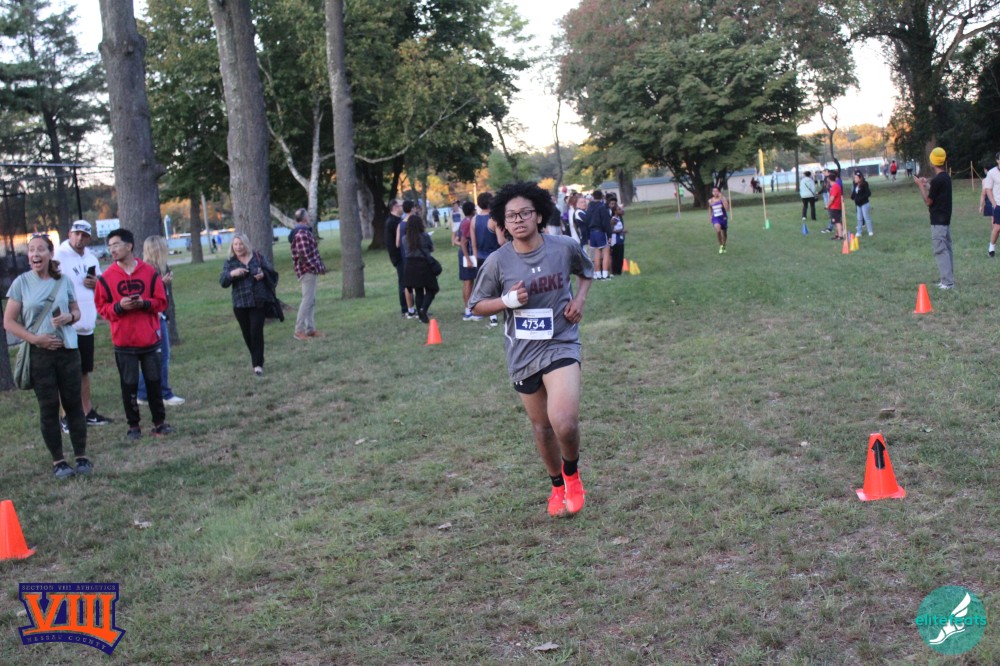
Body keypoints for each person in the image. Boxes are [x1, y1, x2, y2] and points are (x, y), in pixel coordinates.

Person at [468, 181, 594, 518]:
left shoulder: (563, 247)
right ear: (503, 222)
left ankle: (572, 473)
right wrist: (506, 301)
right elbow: (476, 305)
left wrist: (580, 300)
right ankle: (556, 485)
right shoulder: (498, 262)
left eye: (525, 213)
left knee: (564, 422)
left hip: (561, 342)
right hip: (523, 353)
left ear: (538, 215)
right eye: (511, 216)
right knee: (542, 427)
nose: (518, 220)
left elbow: (586, 272)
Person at [4, 234, 91, 479]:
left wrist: (70, 317)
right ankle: (59, 461)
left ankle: (81, 457)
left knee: (73, 404)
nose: (35, 254)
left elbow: (76, 310)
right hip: (40, 355)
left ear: (50, 254)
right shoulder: (21, 283)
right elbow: (9, 322)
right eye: (31, 250)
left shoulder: (63, 281)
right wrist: (35, 339)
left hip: (68, 352)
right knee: (49, 407)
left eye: (40, 249)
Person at [95, 228, 174, 440]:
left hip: (149, 340)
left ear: (129, 246)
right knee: (128, 385)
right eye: (109, 246)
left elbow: (161, 302)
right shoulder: (106, 278)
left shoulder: (149, 273)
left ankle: (159, 423)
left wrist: (144, 303)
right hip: (124, 342)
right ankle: (133, 426)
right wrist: (119, 307)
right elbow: (101, 308)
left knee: (154, 382)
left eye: (116, 245)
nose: (112, 250)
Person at [53, 220, 113, 429]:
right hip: (68, 324)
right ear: (70, 234)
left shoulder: (91, 257)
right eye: (76, 234)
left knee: (84, 370)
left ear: (89, 238)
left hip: (87, 323)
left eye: (84, 235)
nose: (79, 238)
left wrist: (97, 283)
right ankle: (66, 416)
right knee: (66, 372)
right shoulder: (59, 256)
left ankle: (87, 412)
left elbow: (102, 285)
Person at [136, 235, 185, 407]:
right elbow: (146, 295)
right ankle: (164, 393)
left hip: (160, 315)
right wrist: (162, 284)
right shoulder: (148, 270)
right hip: (154, 317)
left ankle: (142, 393)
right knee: (162, 355)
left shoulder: (159, 268)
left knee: (156, 357)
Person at [220, 233, 274, 376]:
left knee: (256, 331)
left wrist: (263, 275)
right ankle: (258, 357)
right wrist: (233, 274)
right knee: (247, 334)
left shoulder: (257, 257)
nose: (238, 247)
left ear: (246, 244)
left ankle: (257, 365)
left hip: (258, 301)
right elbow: (223, 282)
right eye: (235, 244)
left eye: (241, 244)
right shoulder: (230, 262)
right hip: (240, 303)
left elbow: (271, 273)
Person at [914, 147, 954, 289]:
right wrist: (926, 184)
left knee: (940, 250)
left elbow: (928, 201)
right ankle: (948, 279)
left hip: (938, 220)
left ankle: (947, 282)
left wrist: (920, 186)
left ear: (932, 161)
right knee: (947, 249)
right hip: (945, 219)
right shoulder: (945, 177)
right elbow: (937, 190)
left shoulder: (938, 180)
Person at [289, 208, 327, 340]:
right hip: (307, 271)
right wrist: (315, 268)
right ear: (305, 218)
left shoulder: (304, 232)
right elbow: (304, 256)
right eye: (308, 216)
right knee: (307, 300)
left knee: (311, 300)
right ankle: (298, 331)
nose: (310, 218)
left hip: (309, 270)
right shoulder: (301, 234)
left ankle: (310, 329)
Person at [402, 215, 439, 324]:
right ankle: (423, 309)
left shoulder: (405, 239)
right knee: (432, 288)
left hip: (410, 266)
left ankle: (421, 317)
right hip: (423, 265)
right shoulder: (424, 236)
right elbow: (431, 249)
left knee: (418, 291)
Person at [472, 191, 501, 327]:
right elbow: (501, 241)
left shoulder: (474, 220)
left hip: (480, 257)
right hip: (494, 256)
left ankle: (492, 316)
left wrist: (476, 258)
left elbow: (473, 244)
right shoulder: (493, 219)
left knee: (487, 287)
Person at [384, 199, 408, 317]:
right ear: (395, 207)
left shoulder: (399, 221)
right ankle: (405, 309)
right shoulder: (391, 223)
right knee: (403, 282)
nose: (402, 207)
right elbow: (392, 244)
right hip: (400, 257)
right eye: (401, 205)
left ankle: (412, 307)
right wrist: (397, 259)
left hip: (405, 256)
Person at [458, 201, 481, 321]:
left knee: (470, 282)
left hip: (468, 254)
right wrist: (468, 259)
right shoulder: (467, 223)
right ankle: (468, 312)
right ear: (473, 210)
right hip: (467, 255)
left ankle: (470, 309)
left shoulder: (466, 221)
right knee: (468, 282)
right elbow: (463, 242)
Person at [584, 190, 612, 279]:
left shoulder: (589, 207)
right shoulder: (602, 207)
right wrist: (609, 235)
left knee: (596, 254)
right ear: (602, 196)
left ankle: (597, 274)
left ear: (593, 196)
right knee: (606, 252)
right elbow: (606, 222)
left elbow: (586, 221)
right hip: (600, 231)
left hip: (592, 232)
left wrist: (588, 235)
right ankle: (605, 274)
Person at [980, 151, 1000, 257]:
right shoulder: (992, 173)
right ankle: (991, 248)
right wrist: (993, 203)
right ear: (997, 160)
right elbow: (988, 189)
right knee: (997, 228)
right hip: (998, 204)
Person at [851, 171, 874, 237]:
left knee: (866, 217)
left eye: (856, 178)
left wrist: (861, 198)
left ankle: (870, 231)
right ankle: (859, 232)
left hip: (864, 203)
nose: (855, 179)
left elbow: (868, 193)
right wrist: (853, 197)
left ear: (860, 178)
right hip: (858, 204)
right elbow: (854, 193)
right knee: (859, 218)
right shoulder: (855, 184)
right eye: (854, 177)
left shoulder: (865, 184)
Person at [709, 186, 730, 253]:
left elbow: (727, 208)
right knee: (718, 230)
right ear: (712, 192)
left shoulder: (723, 198)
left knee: (724, 233)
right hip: (715, 218)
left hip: (723, 218)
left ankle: (724, 245)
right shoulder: (710, 200)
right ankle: (721, 245)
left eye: (716, 191)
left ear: (719, 192)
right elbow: (710, 208)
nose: (715, 192)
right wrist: (710, 216)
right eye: (713, 191)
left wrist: (722, 199)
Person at [609, 202, 627, 274]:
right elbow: (611, 231)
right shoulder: (613, 220)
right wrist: (621, 231)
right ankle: (615, 271)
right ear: (615, 211)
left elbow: (623, 213)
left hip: (621, 240)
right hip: (616, 241)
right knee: (616, 256)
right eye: (619, 209)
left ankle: (619, 271)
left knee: (621, 256)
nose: (621, 210)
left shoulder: (619, 218)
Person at [827, 173, 844, 240]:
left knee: (837, 222)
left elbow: (832, 198)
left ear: (829, 179)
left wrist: (827, 205)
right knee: (835, 221)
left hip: (835, 207)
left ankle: (840, 235)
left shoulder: (835, 187)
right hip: (835, 206)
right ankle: (837, 235)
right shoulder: (834, 186)